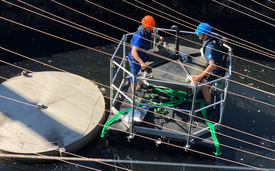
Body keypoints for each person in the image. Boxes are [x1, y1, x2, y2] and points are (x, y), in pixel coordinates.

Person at [192, 23, 227, 109]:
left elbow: (211, 65)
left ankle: (208, 105)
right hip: (222, 66)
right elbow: (225, 40)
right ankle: (207, 91)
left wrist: (200, 77)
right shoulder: (214, 35)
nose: (197, 35)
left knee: (202, 82)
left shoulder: (209, 47)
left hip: (216, 69)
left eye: (199, 33)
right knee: (207, 82)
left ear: (205, 34)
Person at [128, 15, 164, 92]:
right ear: (145, 26)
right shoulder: (138, 37)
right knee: (134, 77)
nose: (151, 30)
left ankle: (139, 86)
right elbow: (133, 52)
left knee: (140, 73)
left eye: (152, 29)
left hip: (142, 56)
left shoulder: (146, 31)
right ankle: (134, 95)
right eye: (150, 28)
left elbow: (150, 35)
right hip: (135, 60)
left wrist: (158, 37)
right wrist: (141, 62)